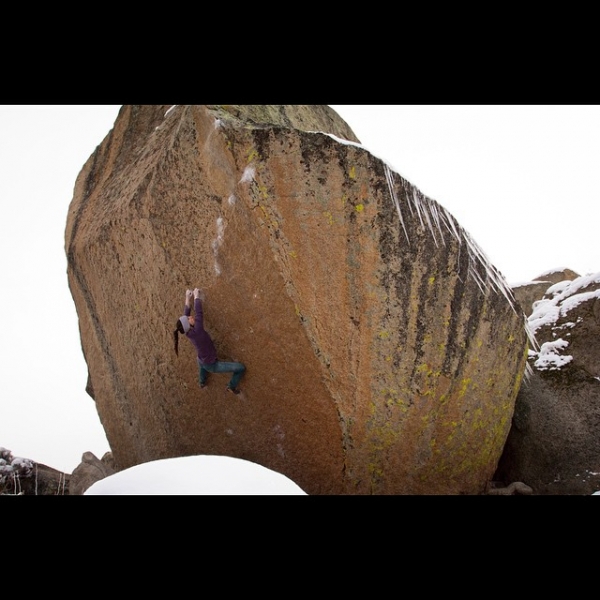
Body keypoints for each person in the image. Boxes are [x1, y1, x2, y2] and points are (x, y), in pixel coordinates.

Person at [173, 288, 246, 395]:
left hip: (201, 359)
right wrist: (196, 297)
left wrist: (187, 298)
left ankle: (202, 383)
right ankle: (231, 386)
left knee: (202, 368)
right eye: (189, 319)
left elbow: (186, 313)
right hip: (211, 364)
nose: (190, 316)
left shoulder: (188, 331)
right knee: (240, 368)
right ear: (189, 325)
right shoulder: (197, 331)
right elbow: (199, 313)